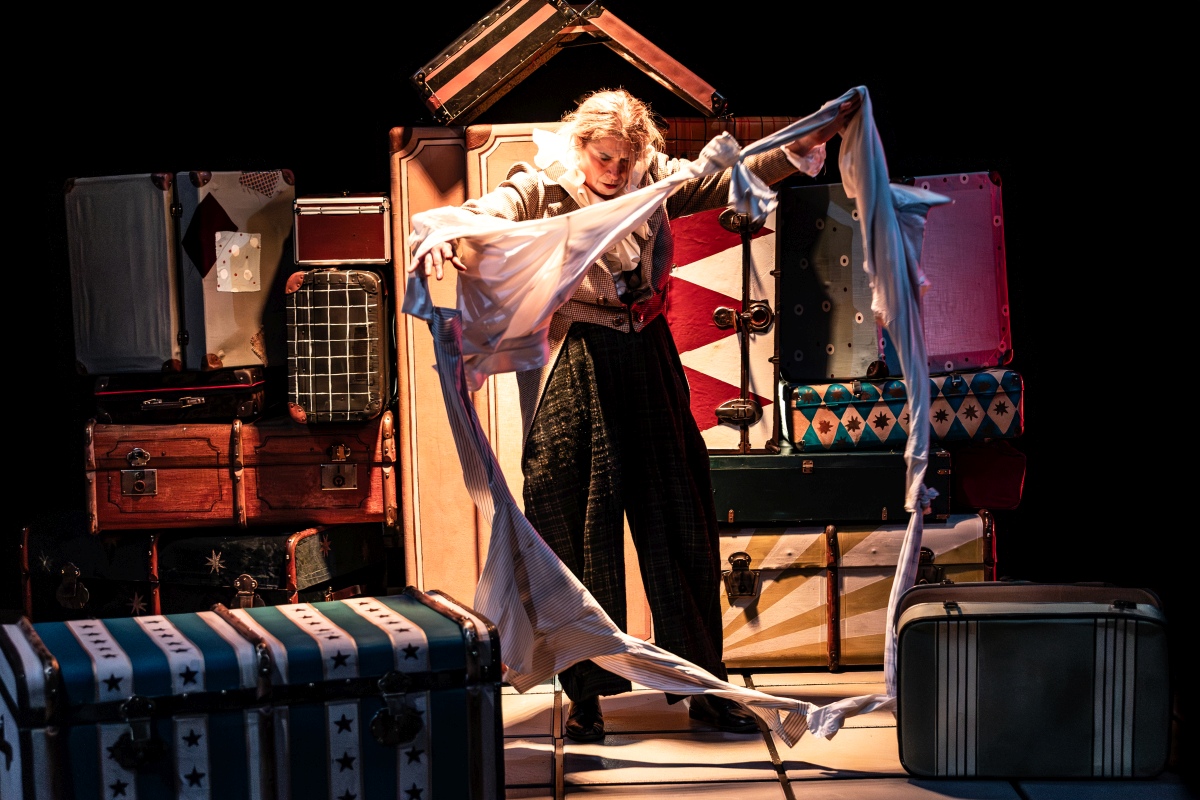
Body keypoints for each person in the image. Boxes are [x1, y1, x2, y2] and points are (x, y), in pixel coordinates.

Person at [411, 87, 860, 741]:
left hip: (646, 350)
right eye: (605, 157)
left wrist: (810, 136)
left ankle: (704, 685)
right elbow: (492, 210)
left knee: (680, 516)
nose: (616, 171)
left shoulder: (651, 180)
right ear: (580, 146)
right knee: (572, 522)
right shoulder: (545, 183)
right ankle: (586, 693)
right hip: (575, 357)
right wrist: (447, 233)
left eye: (627, 158)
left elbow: (730, 174)